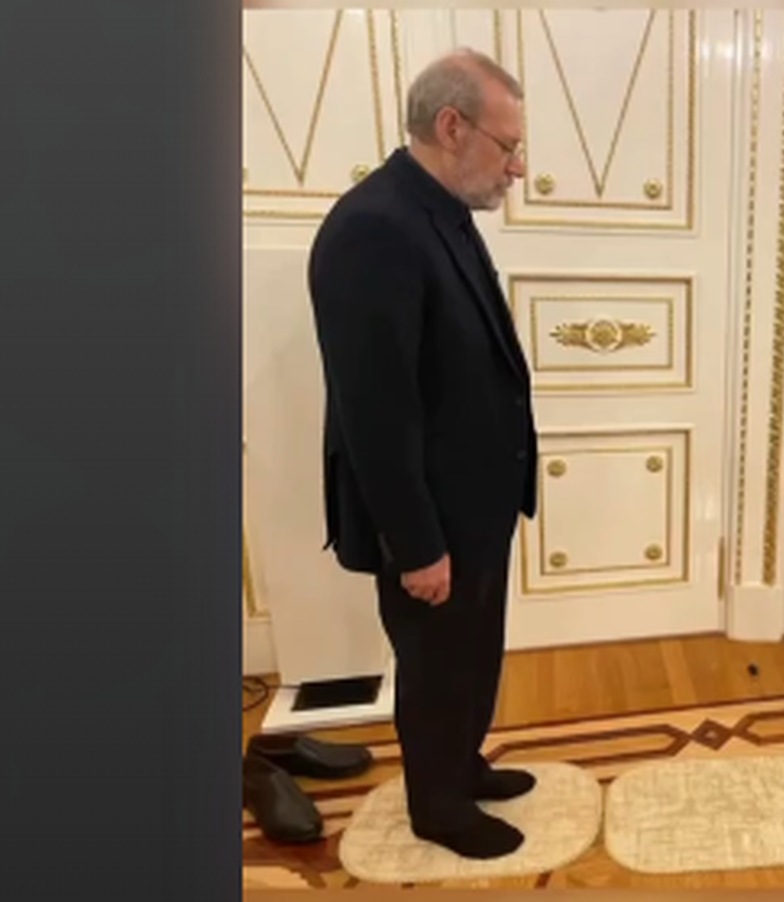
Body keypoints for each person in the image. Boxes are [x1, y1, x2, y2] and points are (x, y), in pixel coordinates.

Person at [306, 48, 537, 860]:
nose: (517, 167)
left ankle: (461, 766)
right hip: (430, 515)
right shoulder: (375, 228)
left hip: (472, 501)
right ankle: (438, 807)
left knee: (470, 651)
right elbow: (376, 411)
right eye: (509, 146)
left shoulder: (437, 212)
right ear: (451, 126)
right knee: (436, 660)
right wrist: (417, 544)